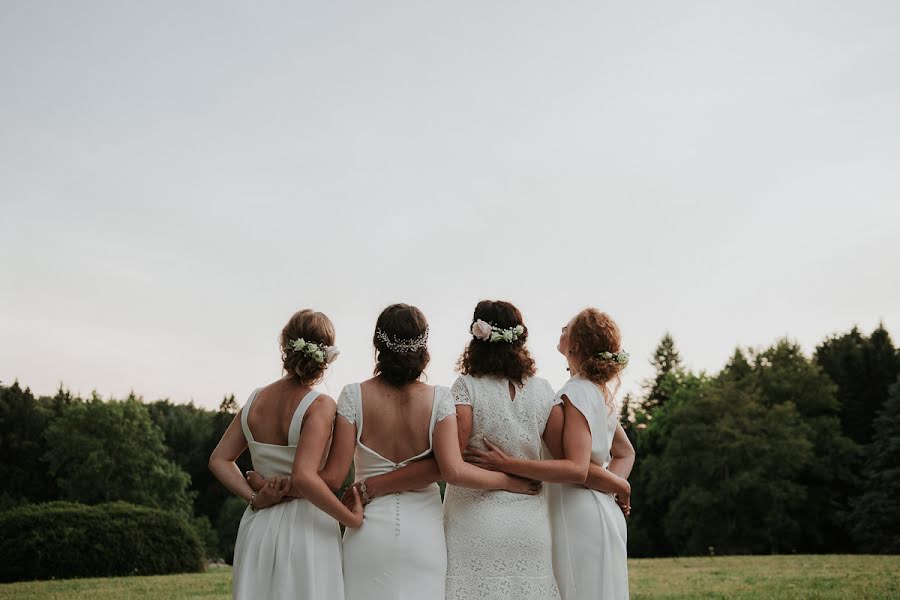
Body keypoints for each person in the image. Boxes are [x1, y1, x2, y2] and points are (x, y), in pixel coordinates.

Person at [208, 309, 361, 599]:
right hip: (308, 528)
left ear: (285, 345)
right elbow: (312, 479)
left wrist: (257, 495)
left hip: (259, 524)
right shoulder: (321, 405)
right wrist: (350, 519)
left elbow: (220, 460)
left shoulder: (255, 399)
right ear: (326, 356)